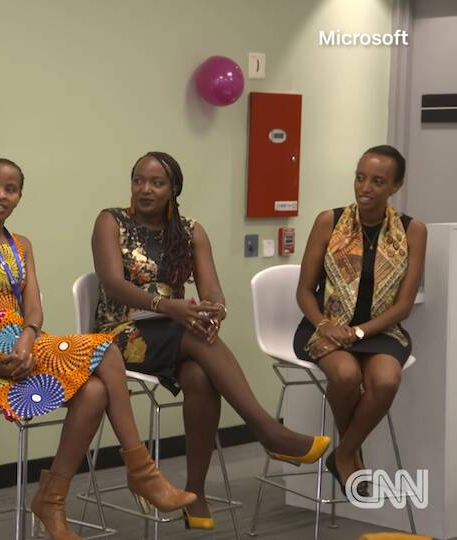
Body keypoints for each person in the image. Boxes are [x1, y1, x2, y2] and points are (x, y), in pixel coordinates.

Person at [0, 158, 196, 540]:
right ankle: (142, 471)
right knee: (107, 350)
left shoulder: (21, 244)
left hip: (24, 343)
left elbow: (33, 310)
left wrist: (26, 341)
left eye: (10, 189)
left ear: (20, 196)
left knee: (95, 391)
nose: (1, 195)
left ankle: (52, 499)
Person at [91, 151, 330, 529]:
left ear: (174, 189)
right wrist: (170, 307)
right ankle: (268, 431)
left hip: (175, 332)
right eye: (139, 180)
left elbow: (213, 291)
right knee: (193, 336)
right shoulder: (111, 221)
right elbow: (113, 284)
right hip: (118, 335)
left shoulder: (191, 232)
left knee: (201, 376)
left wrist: (212, 313)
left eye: (156, 183)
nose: (145, 189)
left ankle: (196, 491)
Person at [294, 145, 426, 496]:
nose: (365, 188)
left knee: (386, 380)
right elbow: (304, 291)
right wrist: (325, 326)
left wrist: (357, 332)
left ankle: (345, 453)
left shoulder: (413, 231)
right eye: (360, 177)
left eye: (377, 181)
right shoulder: (329, 221)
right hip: (325, 325)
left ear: (395, 186)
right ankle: (351, 459)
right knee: (346, 375)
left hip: (380, 330)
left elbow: (403, 306)